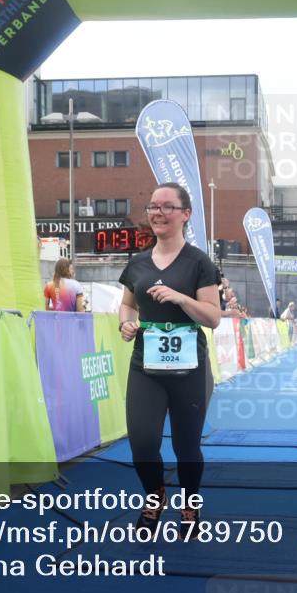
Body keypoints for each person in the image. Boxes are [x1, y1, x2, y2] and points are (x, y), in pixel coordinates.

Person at [118, 182, 221, 539]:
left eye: (166, 207)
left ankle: (190, 502)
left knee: (185, 445)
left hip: (188, 367)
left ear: (185, 214)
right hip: (145, 364)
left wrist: (179, 298)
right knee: (142, 442)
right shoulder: (137, 263)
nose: (157, 213)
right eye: (152, 206)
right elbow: (128, 303)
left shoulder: (199, 263)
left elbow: (212, 317)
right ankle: (156, 495)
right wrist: (125, 324)